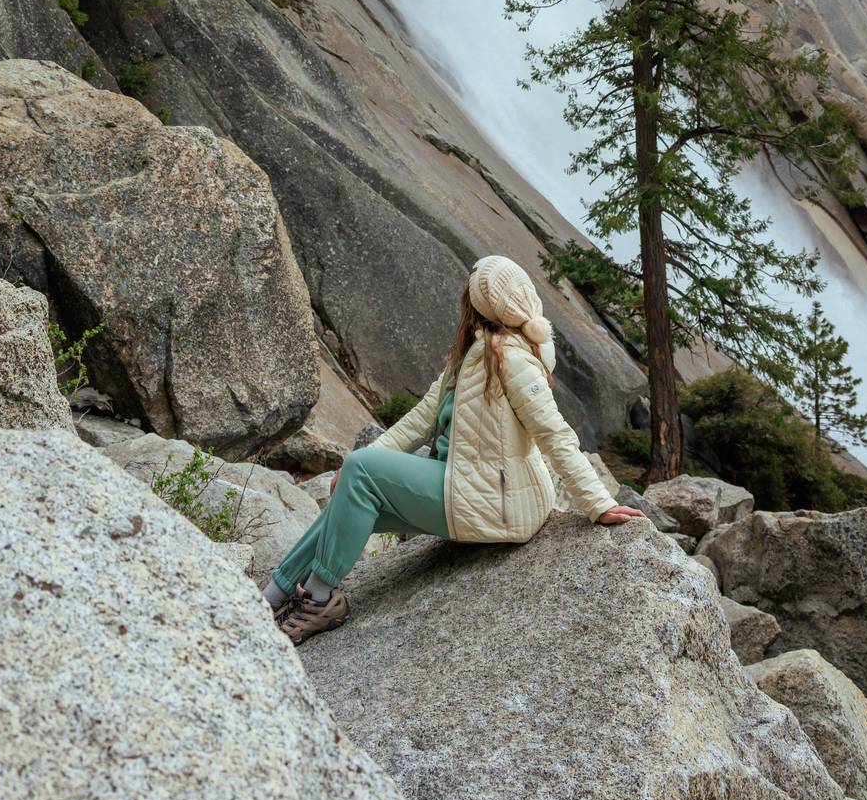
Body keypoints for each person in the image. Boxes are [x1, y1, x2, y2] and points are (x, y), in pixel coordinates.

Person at [264, 253, 643, 645]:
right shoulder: (473, 355)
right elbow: (421, 419)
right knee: (353, 488)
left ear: (476, 306)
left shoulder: (514, 361)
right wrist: (357, 463)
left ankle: (320, 599)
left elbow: (555, 435)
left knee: (361, 472)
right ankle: (273, 594)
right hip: (461, 487)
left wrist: (597, 502)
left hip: (498, 505)